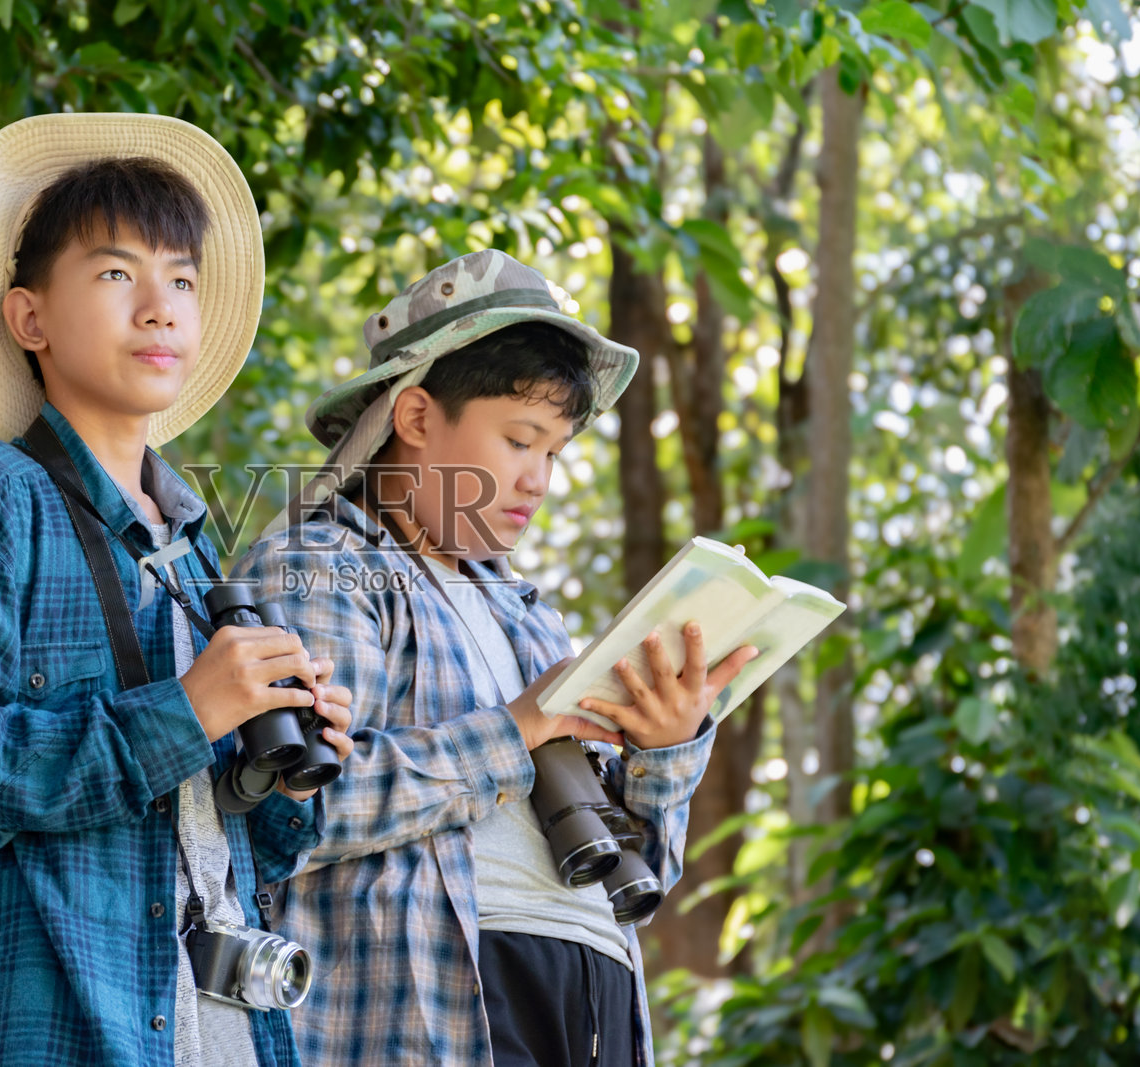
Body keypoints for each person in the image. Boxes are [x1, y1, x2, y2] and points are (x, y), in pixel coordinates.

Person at [0, 113, 352, 1067]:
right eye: (118, 274)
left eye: (184, 281)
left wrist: (287, 765)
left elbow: (239, 852)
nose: (160, 305)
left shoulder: (200, 561)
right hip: (61, 1037)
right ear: (29, 317)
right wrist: (181, 712)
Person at [232, 249, 757, 1066]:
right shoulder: (323, 563)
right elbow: (292, 814)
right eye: (519, 439)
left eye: (554, 452)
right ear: (414, 416)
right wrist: (513, 732)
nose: (538, 479)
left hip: (597, 994)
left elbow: (639, 874)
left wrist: (664, 750)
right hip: (448, 995)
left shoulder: (530, 616)